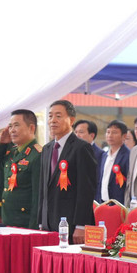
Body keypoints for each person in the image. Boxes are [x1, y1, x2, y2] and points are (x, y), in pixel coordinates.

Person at [37, 100, 97, 235]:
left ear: (71, 120)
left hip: (71, 224)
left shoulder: (82, 148)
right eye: (50, 116)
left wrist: (81, 225)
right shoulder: (47, 149)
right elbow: (43, 188)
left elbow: (86, 190)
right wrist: (41, 220)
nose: (53, 120)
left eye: (58, 116)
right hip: (48, 222)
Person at [0, 109, 42, 229]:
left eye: (16, 125)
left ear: (31, 128)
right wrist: (1, 144)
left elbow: (38, 197)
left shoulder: (37, 155)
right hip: (8, 219)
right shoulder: (13, 152)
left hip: (25, 223)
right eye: (10, 126)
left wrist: (34, 227)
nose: (12, 130)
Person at [95, 120, 130, 203]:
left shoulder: (128, 155)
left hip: (119, 203)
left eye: (114, 132)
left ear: (124, 136)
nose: (110, 135)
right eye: (108, 132)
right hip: (102, 202)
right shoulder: (104, 155)